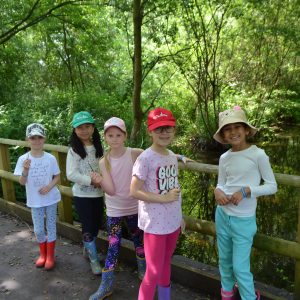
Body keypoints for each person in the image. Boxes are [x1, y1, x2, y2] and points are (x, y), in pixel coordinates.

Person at [213, 106, 277, 300]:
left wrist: (248, 190)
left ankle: (249, 297)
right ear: (223, 135)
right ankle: (227, 294)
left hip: (244, 220)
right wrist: (217, 191)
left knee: (240, 267)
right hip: (223, 215)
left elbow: (272, 186)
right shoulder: (224, 158)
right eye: (227, 129)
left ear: (246, 130)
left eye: (237, 127)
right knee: (224, 261)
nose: (233, 132)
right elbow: (221, 183)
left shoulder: (258, 155)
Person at [89, 117, 145, 300]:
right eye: (110, 135)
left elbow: (157, 155)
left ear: (125, 136)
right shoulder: (103, 161)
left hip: (135, 207)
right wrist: (99, 181)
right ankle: (106, 286)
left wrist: (177, 157)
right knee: (113, 245)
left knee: (139, 241)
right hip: (114, 209)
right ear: (105, 137)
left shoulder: (135, 153)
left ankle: (143, 273)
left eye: (118, 135)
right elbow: (111, 190)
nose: (114, 138)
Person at [130, 107, 183, 300]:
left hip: (173, 221)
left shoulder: (171, 156)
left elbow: (175, 188)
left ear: (174, 130)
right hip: (155, 224)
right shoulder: (144, 158)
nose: (164, 133)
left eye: (168, 128)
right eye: (159, 129)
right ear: (150, 131)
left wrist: (180, 216)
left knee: (167, 262)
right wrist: (164, 199)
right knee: (152, 270)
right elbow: (134, 190)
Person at [66, 111, 115, 275]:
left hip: (98, 195)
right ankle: (94, 262)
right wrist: (91, 181)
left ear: (93, 128)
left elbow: (105, 168)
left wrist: (102, 180)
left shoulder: (99, 148)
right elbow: (71, 174)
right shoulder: (73, 150)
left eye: (87, 126)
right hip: (82, 196)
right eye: (80, 127)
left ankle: (88, 251)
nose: (84, 130)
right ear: (75, 130)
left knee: (95, 227)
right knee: (87, 227)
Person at [14, 123, 61, 270]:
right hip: (35, 200)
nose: (36, 141)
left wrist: (49, 186)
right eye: (33, 137)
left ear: (44, 139)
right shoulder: (23, 159)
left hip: (51, 198)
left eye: (39, 137)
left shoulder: (50, 158)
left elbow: (57, 177)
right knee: (39, 230)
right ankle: (43, 253)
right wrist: (26, 170)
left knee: (51, 226)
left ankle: (50, 256)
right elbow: (22, 182)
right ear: (28, 139)